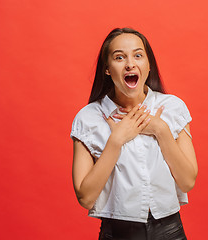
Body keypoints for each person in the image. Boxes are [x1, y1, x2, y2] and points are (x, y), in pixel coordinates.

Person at [70, 27, 198, 240]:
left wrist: (160, 129)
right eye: (119, 57)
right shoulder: (88, 117)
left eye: (138, 55)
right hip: (117, 233)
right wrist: (117, 140)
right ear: (107, 69)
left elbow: (187, 182)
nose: (130, 63)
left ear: (148, 66)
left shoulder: (173, 107)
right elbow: (85, 197)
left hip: (170, 231)